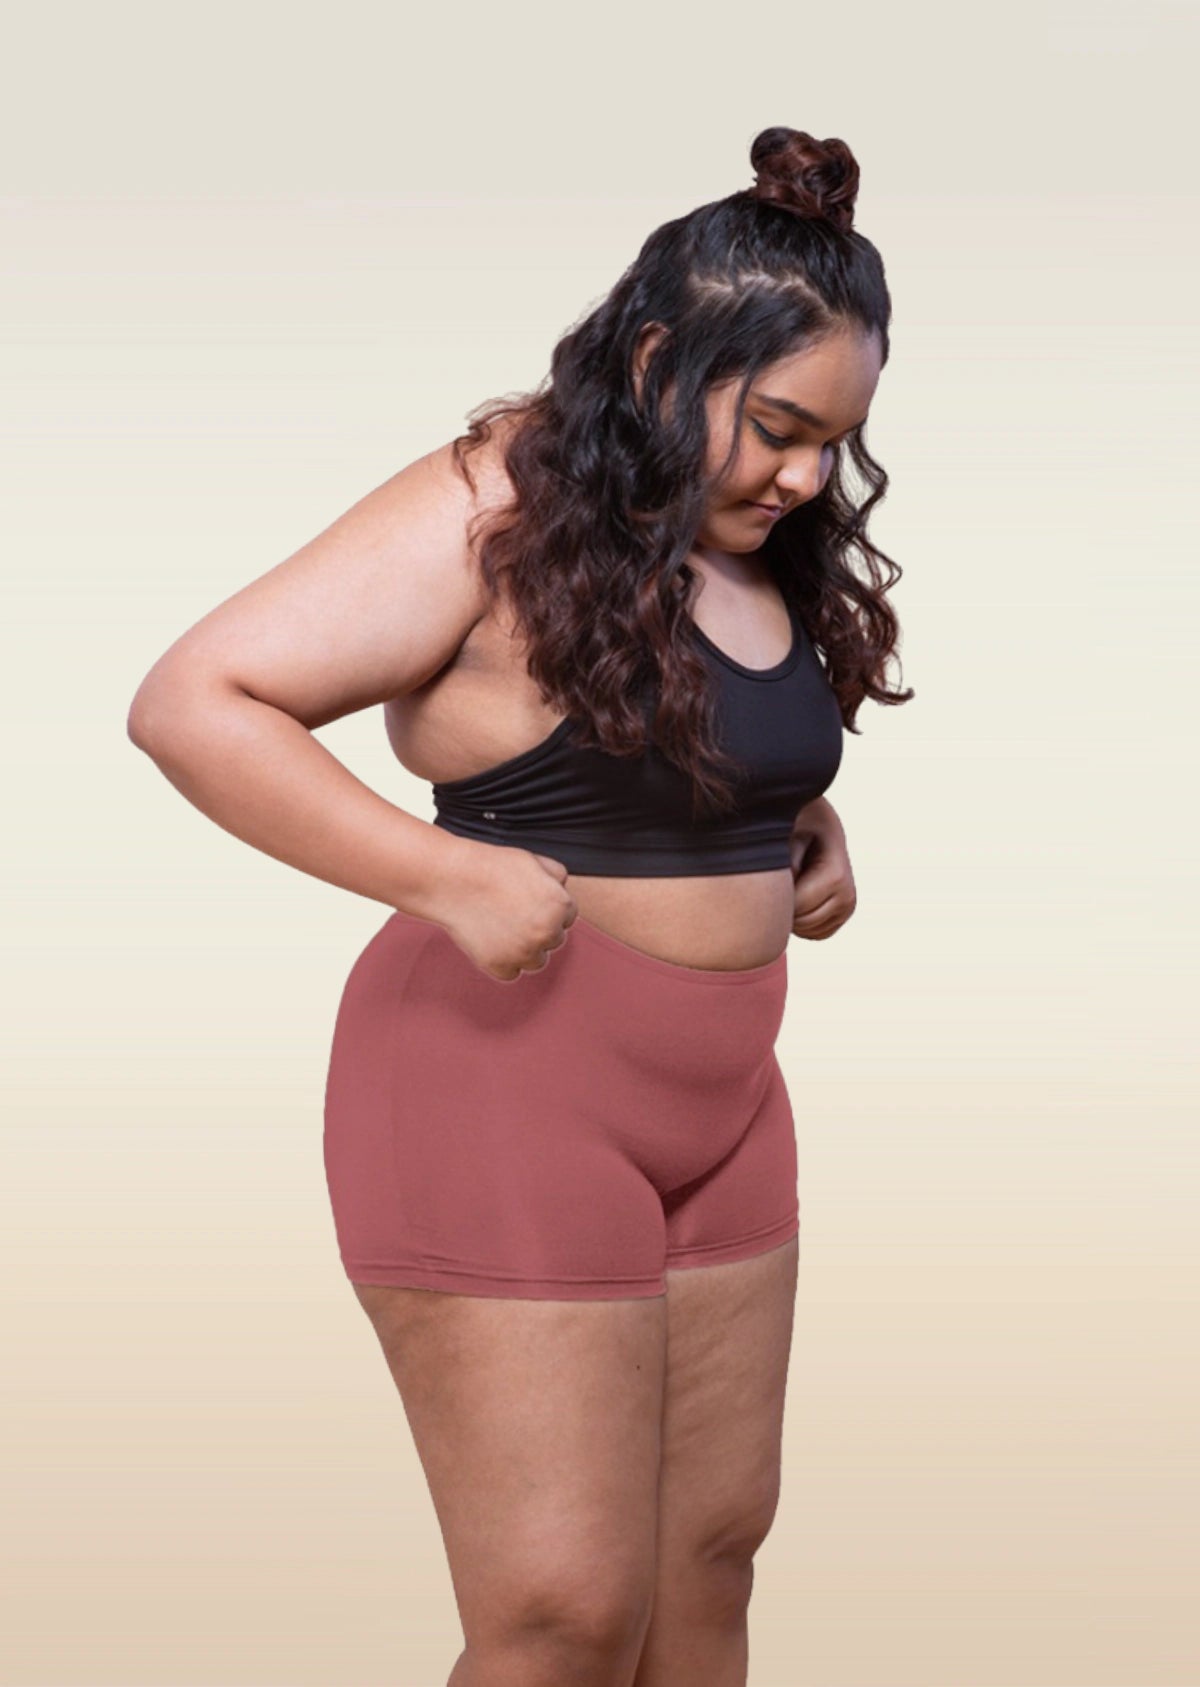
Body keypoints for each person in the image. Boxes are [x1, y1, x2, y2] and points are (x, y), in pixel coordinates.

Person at [127, 124, 911, 1687]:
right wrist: (438, 873)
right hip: (507, 1088)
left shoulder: (748, 538)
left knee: (706, 1568)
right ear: (654, 357)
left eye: (833, 438)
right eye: (772, 427)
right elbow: (195, 700)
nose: (806, 474)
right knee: (560, 1615)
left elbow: (669, 743)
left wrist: (791, 824)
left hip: (729, 1102)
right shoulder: (497, 503)